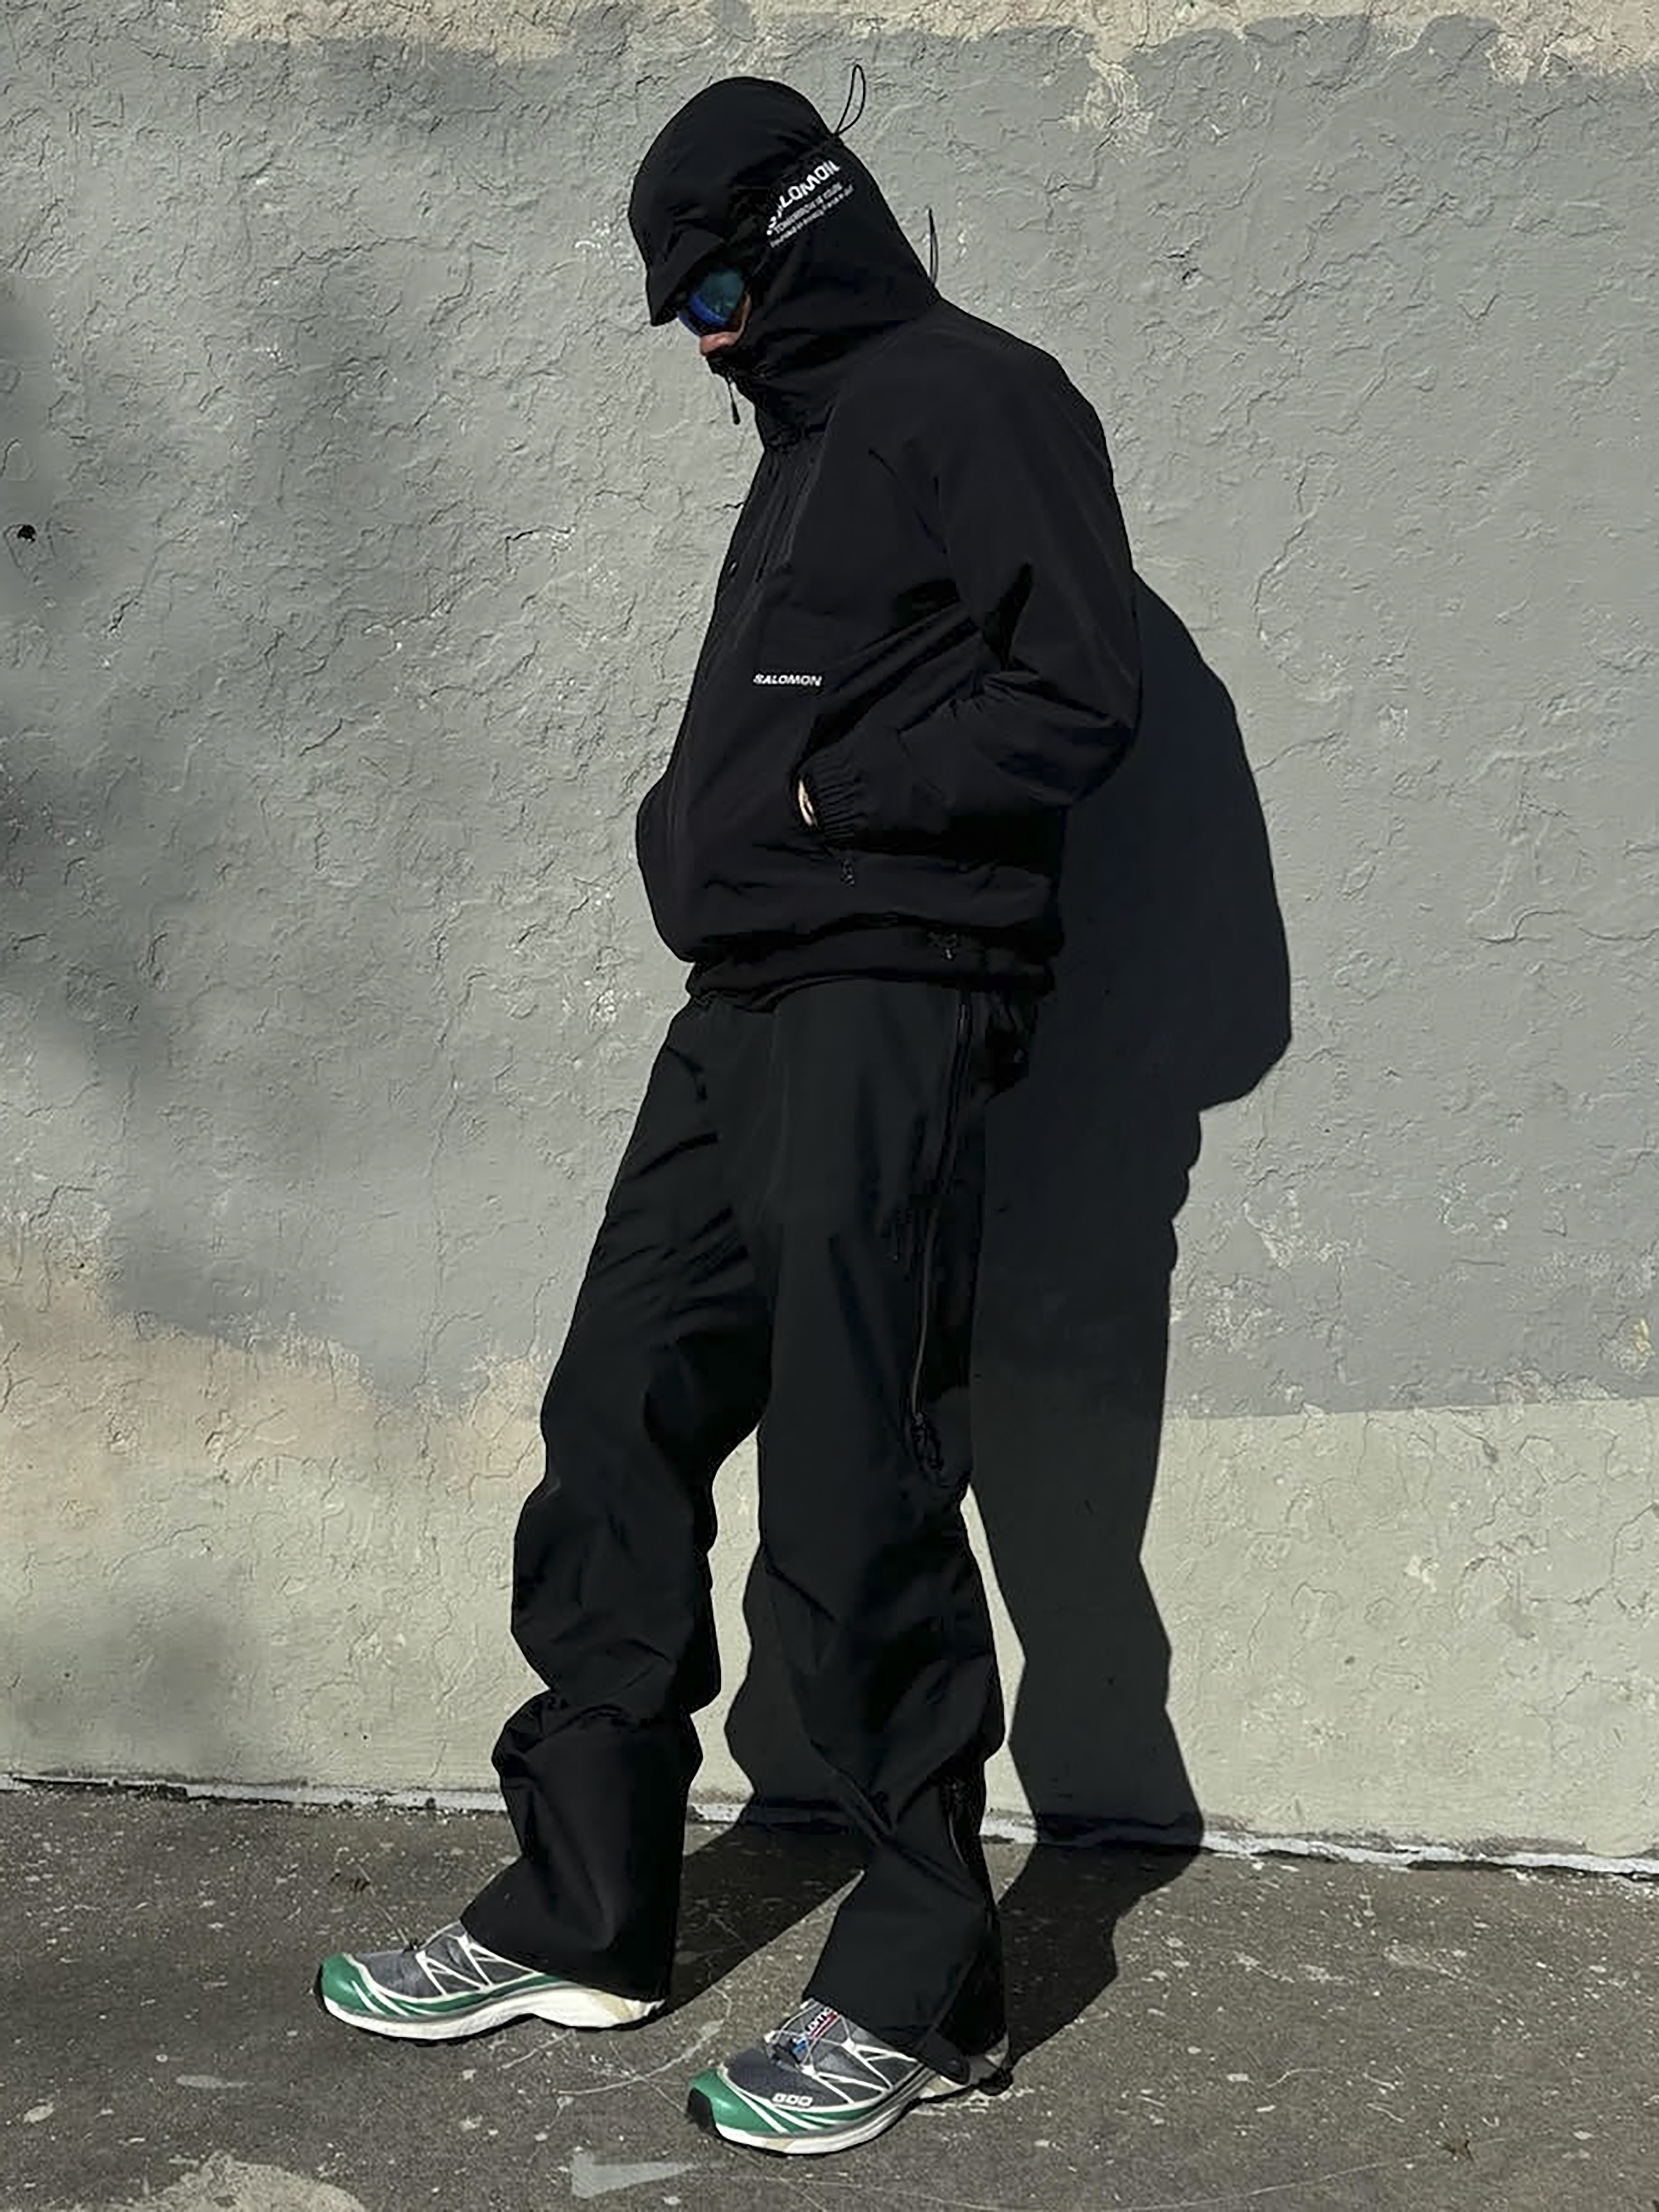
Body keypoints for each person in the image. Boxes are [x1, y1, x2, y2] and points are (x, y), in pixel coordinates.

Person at [315, 68, 1140, 2158]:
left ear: (796, 232)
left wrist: (822, 797)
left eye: (709, 294)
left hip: (897, 1001)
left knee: (858, 1475)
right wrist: (698, 821)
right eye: (677, 309)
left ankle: (916, 1984)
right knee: (616, 1414)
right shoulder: (807, 441)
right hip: (744, 1008)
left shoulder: (977, 400)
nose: (698, 342)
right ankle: (585, 1910)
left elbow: (1079, 693)